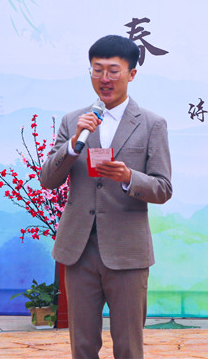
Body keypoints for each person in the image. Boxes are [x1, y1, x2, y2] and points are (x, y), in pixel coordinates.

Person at [40, 34, 172, 359]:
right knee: (82, 346)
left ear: (132, 74)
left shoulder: (152, 124)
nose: (104, 78)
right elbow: (48, 180)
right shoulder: (74, 121)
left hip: (127, 252)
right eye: (97, 70)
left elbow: (163, 188)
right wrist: (73, 145)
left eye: (113, 70)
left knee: (128, 346)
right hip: (78, 249)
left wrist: (128, 178)